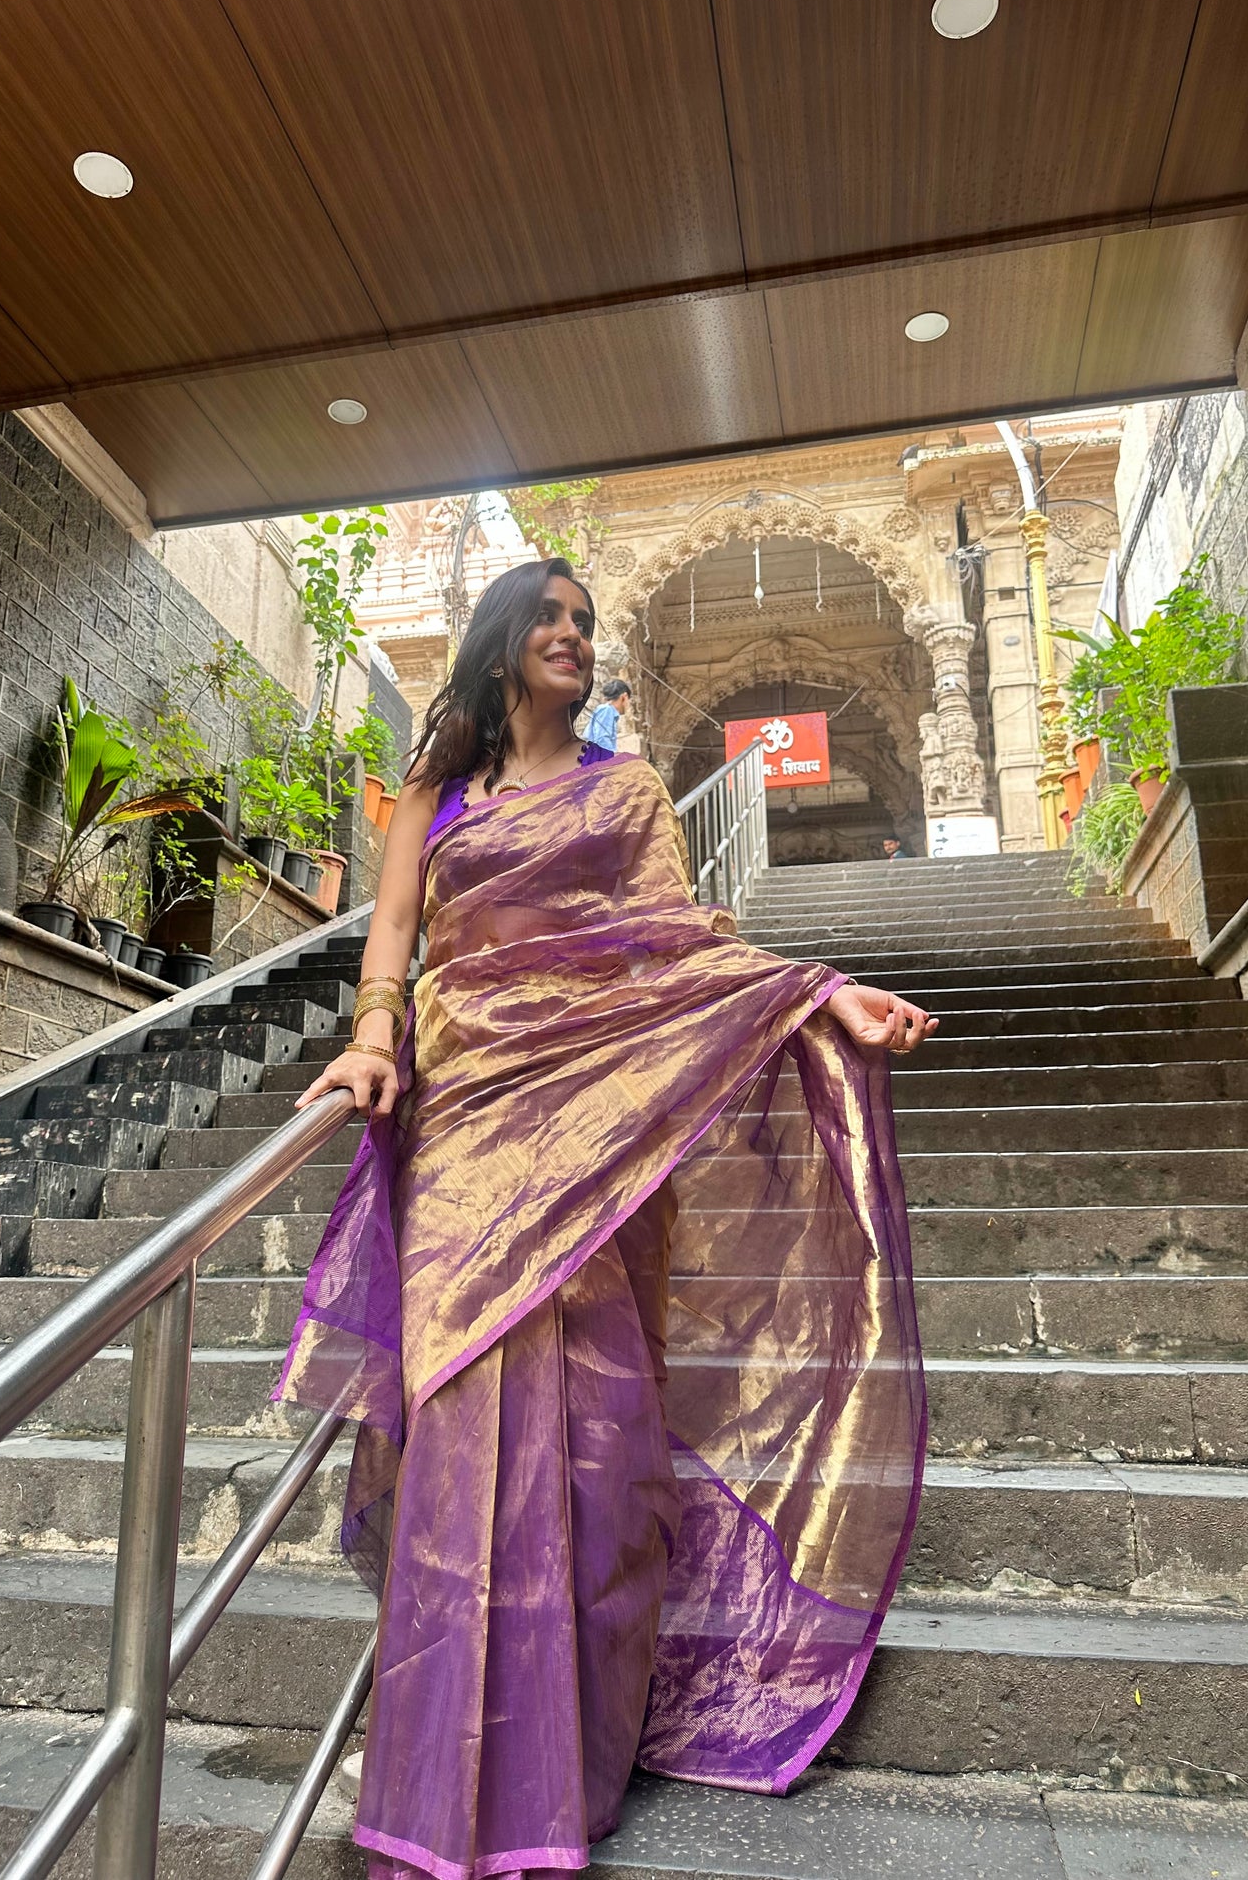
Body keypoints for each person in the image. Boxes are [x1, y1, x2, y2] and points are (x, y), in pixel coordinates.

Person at [276, 556, 936, 1880]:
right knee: (461, 1428)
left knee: (592, 1441)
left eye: (586, 621)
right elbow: (391, 930)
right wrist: (370, 1036)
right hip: (463, 1125)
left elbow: (677, 946)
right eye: (555, 618)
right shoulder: (438, 789)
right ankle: (439, 1779)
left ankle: (553, 1772)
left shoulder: (626, 789)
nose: (574, 636)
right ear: (505, 638)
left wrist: (818, 994)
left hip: (594, 1134)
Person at [583, 676, 630, 751]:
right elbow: (602, 739)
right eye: (629, 700)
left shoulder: (607, 711)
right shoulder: (607, 711)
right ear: (624, 697)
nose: (628, 704)